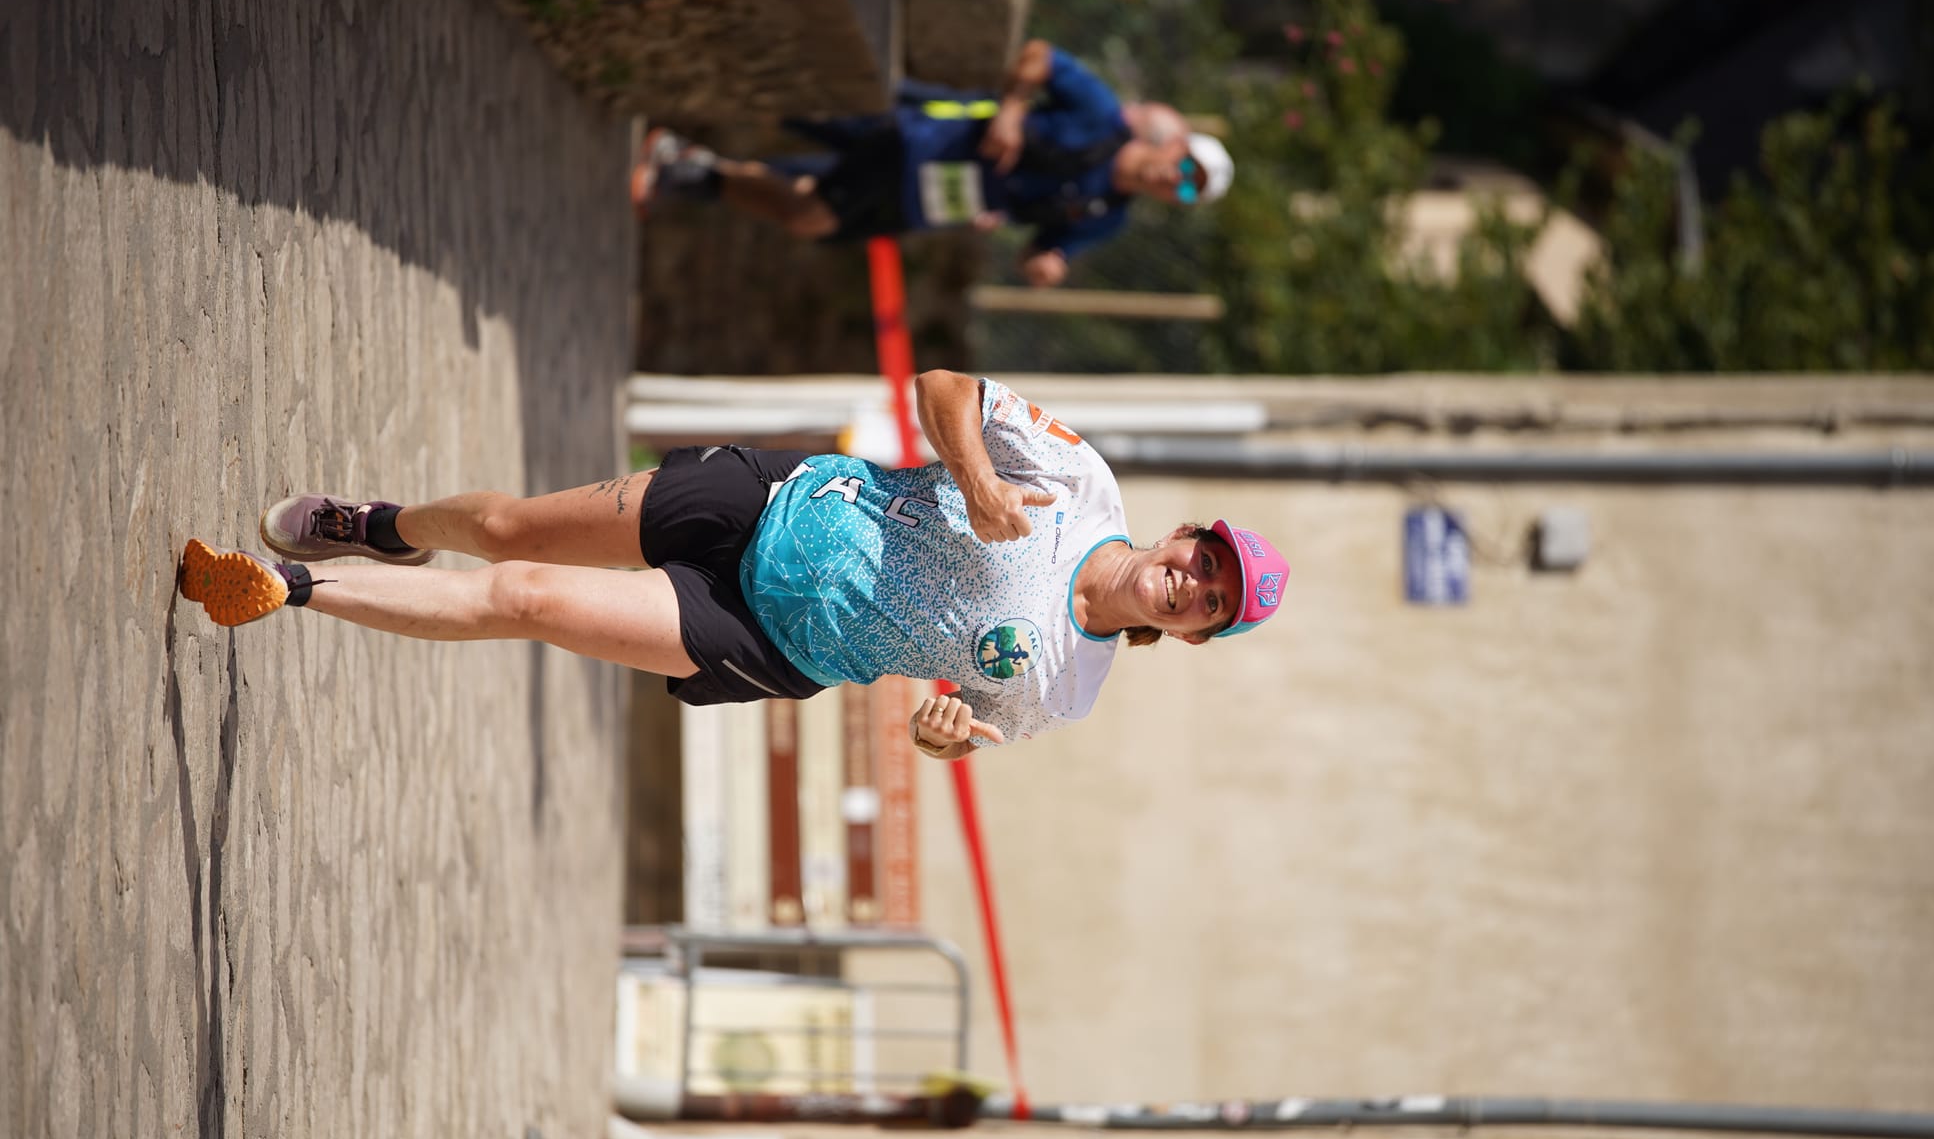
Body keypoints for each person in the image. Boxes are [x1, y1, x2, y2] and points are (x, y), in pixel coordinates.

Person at [177, 370, 1290, 760]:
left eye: (1210, 608)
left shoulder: (1066, 685)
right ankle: (383, 524)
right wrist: (985, 483)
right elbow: (945, 389)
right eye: (1208, 561)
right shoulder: (1078, 482)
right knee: (511, 529)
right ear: (1184, 535)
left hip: (770, 639)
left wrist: (935, 733)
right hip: (772, 498)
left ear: (1185, 636)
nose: (1195, 585)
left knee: (520, 599)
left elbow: (953, 726)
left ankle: (287, 591)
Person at [631, 39, 1234, 288]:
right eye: (1186, 169)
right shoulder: (1101, 114)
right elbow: (1038, 55)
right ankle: (688, 158)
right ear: (1174, 147)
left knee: (808, 211)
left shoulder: (1107, 216)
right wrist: (1013, 110)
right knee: (809, 189)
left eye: (1188, 192)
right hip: (925, 144)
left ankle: (694, 166)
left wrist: (1043, 262)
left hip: (932, 203)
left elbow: (1046, 249)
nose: (1174, 182)